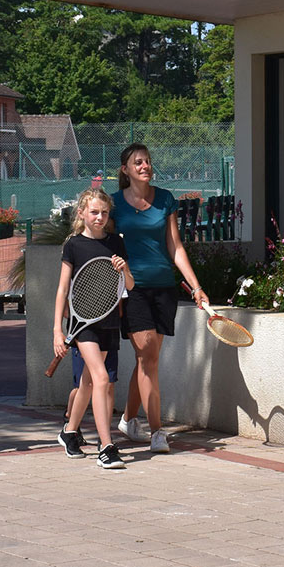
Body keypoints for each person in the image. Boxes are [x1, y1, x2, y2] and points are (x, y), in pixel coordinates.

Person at [111, 143, 209, 455]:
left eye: (148, 161)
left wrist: (195, 286)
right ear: (125, 170)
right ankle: (156, 432)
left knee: (147, 360)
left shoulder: (165, 199)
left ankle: (127, 419)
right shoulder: (113, 204)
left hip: (164, 286)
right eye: (138, 162)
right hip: (133, 288)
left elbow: (176, 246)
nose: (145, 166)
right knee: (148, 357)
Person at [53, 188, 134, 469]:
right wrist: (56, 331)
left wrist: (123, 269)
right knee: (101, 379)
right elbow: (63, 289)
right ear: (82, 214)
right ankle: (107, 447)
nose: (100, 217)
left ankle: (69, 431)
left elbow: (130, 286)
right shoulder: (73, 245)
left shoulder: (116, 244)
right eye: (94, 212)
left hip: (108, 320)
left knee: (88, 382)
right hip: (82, 323)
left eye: (105, 213)